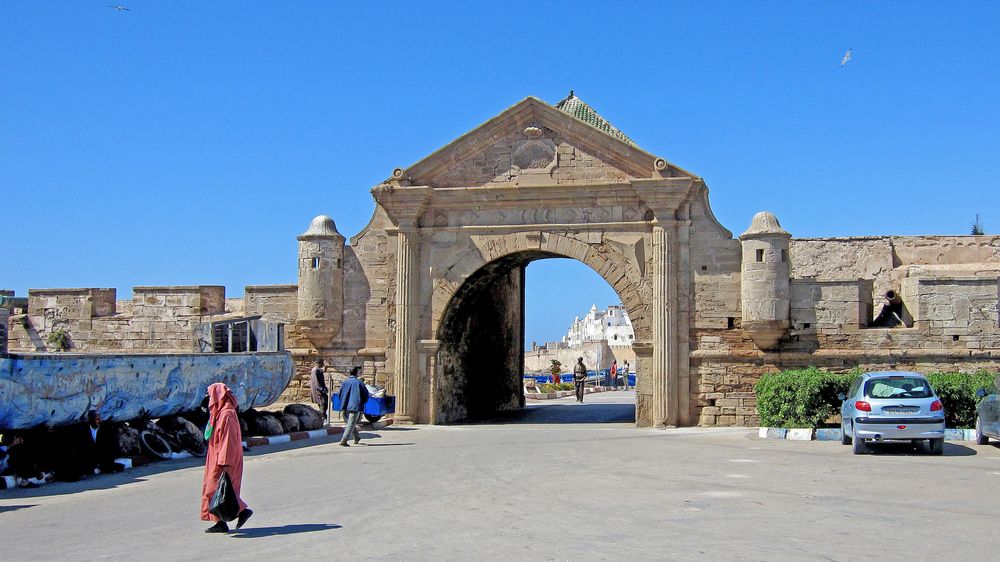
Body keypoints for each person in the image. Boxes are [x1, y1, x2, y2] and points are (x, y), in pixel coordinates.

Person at [201, 382, 252, 534]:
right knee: (218, 491)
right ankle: (220, 521)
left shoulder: (226, 414)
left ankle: (240, 512)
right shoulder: (219, 412)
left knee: (219, 490)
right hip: (216, 456)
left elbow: (228, 440)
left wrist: (223, 461)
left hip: (223, 458)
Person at [338, 366, 370, 447]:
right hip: (354, 406)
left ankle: (356, 437)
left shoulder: (345, 382)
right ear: (356, 373)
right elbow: (366, 395)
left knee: (350, 423)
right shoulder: (359, 383)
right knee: (351, 423)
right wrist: (361, 403)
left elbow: (339, 394)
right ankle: (344, 440)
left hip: (345, 405)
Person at [309, 358, 329, 424]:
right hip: (319, 392)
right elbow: (316, 382)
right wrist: (321, 390)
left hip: (321, 390)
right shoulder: (315, 370)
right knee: (323, 405)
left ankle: (323, 418)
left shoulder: (318, 370)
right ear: (319, 363)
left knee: (324, 405)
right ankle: (321, 418)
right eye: (322, 363)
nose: (323, 364)